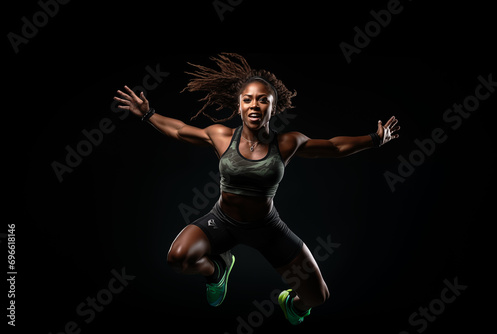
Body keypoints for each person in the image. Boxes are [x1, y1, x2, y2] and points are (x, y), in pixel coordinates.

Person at [113, 53, 400, 325]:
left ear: (274, 107)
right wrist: (147, 113)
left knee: (317, 297)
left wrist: (374, 139)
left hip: (267, 228)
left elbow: (334, 146)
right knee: (178, 257)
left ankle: (291, 304)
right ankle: (218, 271)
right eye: (247, 99)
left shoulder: (288, 143)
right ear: (238, 105)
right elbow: (179, 130)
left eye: (263, 100)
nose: (254, 105)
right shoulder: (221, 136)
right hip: (221, 222)